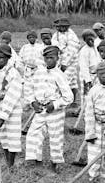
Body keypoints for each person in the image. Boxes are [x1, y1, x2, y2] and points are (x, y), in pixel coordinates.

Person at [24, 45, 73, 173]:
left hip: (55, 112)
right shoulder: (38, 72)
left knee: (55, 137)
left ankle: (55, 164)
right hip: (40, 109)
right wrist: (33, 102)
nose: (49, 60)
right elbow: (29, 88)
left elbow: (68, 97)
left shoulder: (59, 75)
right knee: (33, 134)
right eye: (46, 58)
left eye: (52, 58)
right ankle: (36, 162)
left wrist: (55, 104)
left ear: (57, 58)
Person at [0, 44, 24, 168]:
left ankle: (11, 164)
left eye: (3, 57)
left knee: (12, 136)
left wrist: (4, 116)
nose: (1, 60)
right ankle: (7, 162)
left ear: (8, 57)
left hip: (12, 109)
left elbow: (12, 96)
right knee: (3, 136)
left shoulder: (13, 73)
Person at [52, 17, 80, 108]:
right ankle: (68, 101)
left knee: (65, 81)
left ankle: (70, 101)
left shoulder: (72, 35)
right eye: (59, 27)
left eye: (63, 27)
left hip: (71, 62)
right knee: (68, 81)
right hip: (60, 60)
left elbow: (71, 51)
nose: (61, 28)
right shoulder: (55, 35)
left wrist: (65, 63)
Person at [19, 30, 45, 104]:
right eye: (30, 37)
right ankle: (29, 102)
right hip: (27, 69)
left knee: (37, 85)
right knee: (27, 86)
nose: (31, 39)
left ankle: (39, 100)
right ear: (27, 39)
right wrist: (22, 69)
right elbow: (20, 59)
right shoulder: (25, 47)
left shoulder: (40, 47)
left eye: (33, 37)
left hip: (38, 69)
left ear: (36, 38)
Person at [78, 29, 101, 94]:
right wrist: (88, 81)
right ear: (85, 40)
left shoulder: (97, 47)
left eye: (92, 39)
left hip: (96, 75)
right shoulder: (84, 51)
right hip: (87, 76)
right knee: (87, 97)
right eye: (88, 40)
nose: (90, 41)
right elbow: (83, 67)